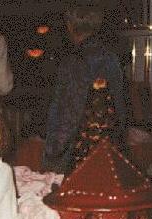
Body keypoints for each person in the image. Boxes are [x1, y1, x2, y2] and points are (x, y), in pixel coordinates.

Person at [41, 5, 126, 173]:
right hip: (108, 146)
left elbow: (68, 113)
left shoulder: (73, 62)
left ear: (70, 26)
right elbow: (120, 108)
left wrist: (53, 154)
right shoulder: (111, 58)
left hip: (79, 150)